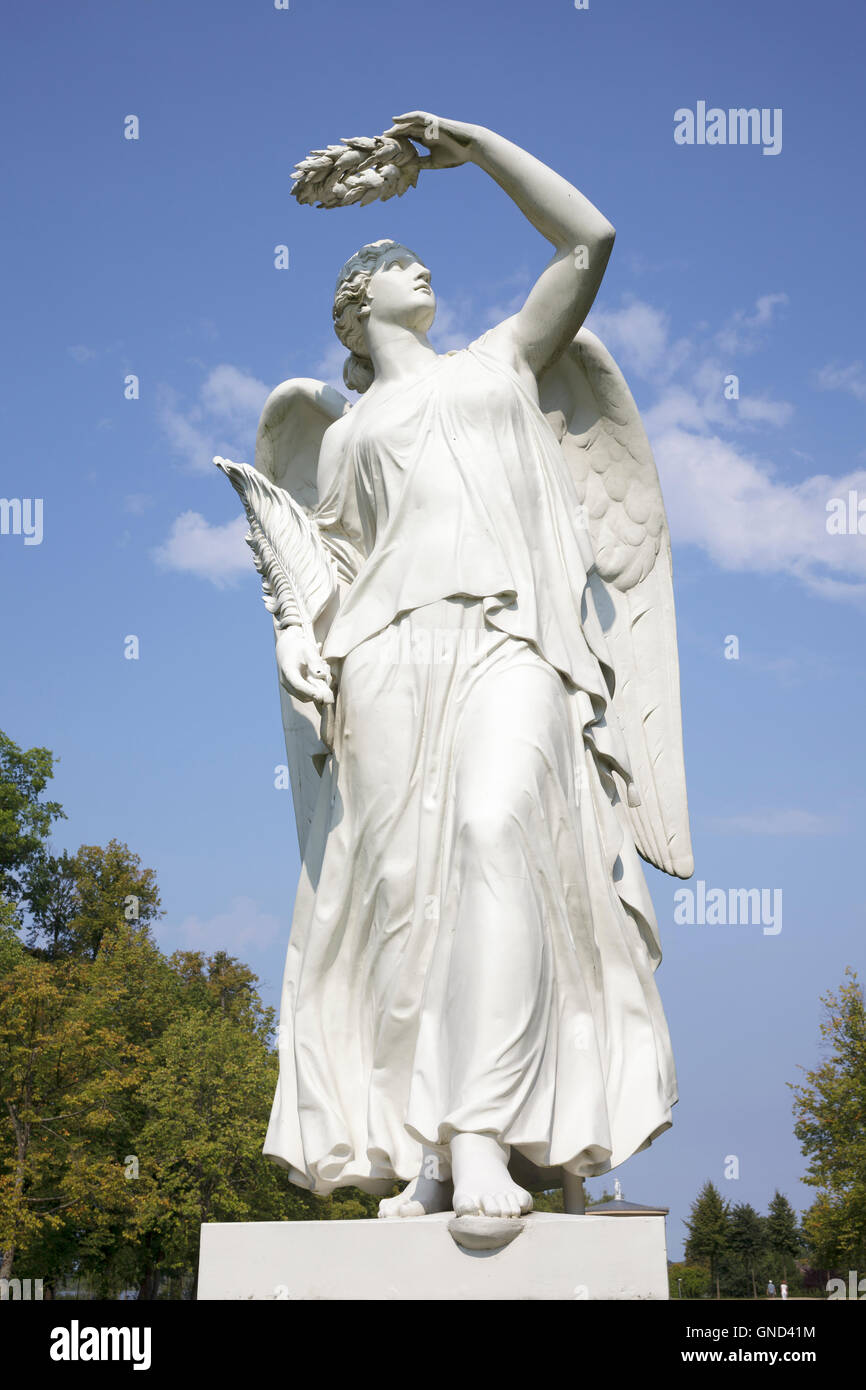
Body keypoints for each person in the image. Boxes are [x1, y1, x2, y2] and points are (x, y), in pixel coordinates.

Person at [262, 114, 690, 1219]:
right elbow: (320, 577)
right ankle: (422, 1152)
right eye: (397, 262)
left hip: (511, 639)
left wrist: (478, 147)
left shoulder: (498, 361)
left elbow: (587, 241)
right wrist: (296, 641)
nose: (422, 266)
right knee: (402, 892)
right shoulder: (344, 434)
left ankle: (484, 1131)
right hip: (387, 659)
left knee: (497, 831)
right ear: (357, 307)